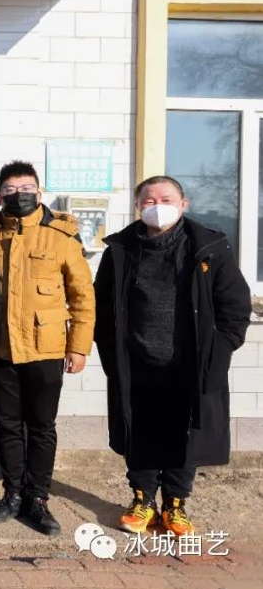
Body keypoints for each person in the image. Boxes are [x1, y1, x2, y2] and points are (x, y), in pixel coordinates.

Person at [95, 175, 250, 537]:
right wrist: (110, 353)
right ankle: (142, 499)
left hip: (190, 364)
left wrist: (219, 348)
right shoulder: (119, 250)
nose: (157, 207)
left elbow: (234, 307)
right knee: (141, 434)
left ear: (184, 204)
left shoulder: (210, 247)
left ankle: (175, 505)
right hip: (136, 362)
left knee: (185, 437)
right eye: (149, 201)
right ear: (138, 206)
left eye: (166, 199)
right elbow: (102, 307)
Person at [0, 161, 96, 536]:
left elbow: (82, 295)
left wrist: (79, 347)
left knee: (42, 427)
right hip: (2, 349)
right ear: (0, 197)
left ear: (40, 192)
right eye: (11, 190)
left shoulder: (61, 235)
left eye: (27, 188)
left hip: (46, 348)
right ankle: (12, 494)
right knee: (8, 426)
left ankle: (38, 499)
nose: (20, 195)